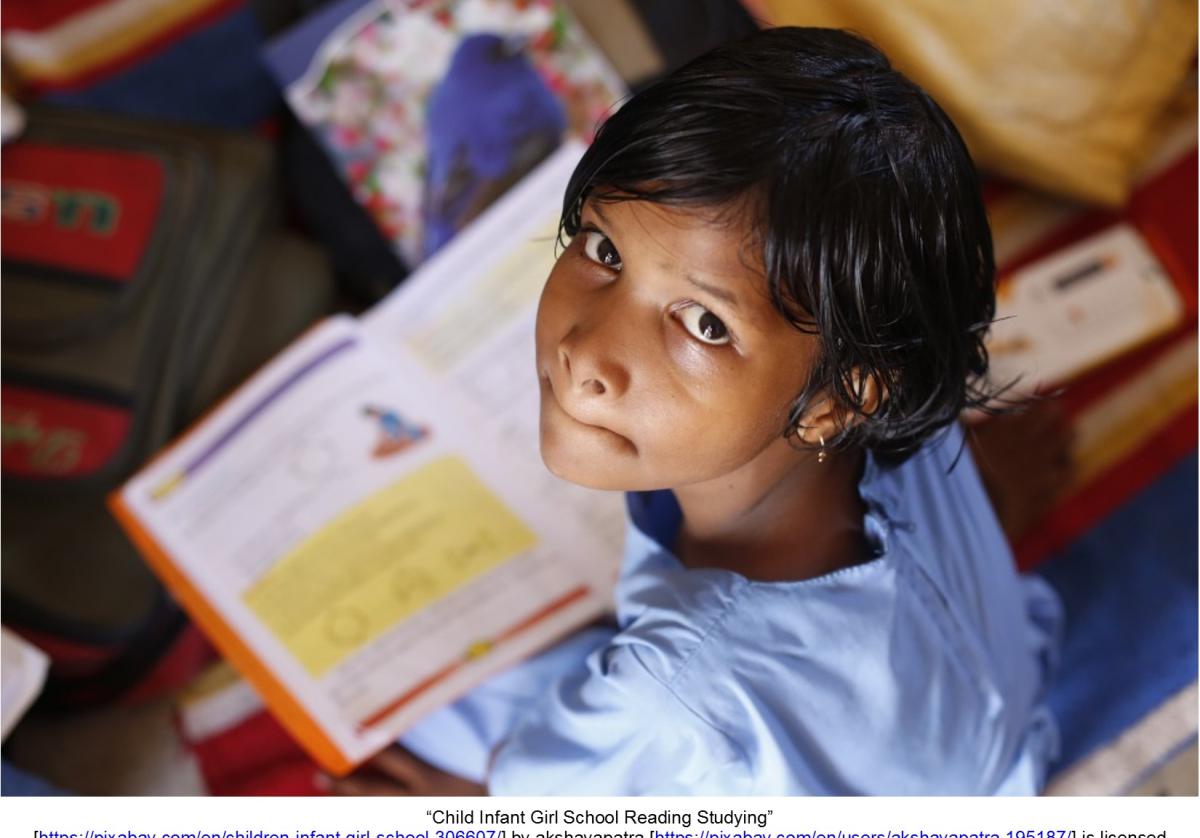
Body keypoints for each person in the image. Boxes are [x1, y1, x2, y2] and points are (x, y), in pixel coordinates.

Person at [330, 26, 1062, 796]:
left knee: (444, 715)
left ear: (836, 401)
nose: (587, 353)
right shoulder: (890, 379)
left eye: (705, 323)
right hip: (971, 732)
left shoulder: (666, 688)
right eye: (604, 250)